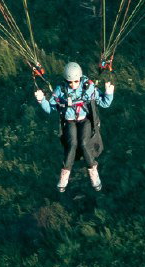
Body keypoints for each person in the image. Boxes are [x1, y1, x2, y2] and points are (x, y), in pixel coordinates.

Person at [35, 61, 115, 192]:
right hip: (70, 121)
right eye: (70, 82)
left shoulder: (88, 87)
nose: (73, 85)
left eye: (76, 82)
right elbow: (50, 109)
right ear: (65, 81)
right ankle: (64, 174)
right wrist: (42, 100)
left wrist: (109, 93)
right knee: (72, 144)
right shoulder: (60, 90)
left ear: (80, 79)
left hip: (85, 120)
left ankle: (93, 172)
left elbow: (104, 103)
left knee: (84, 143)